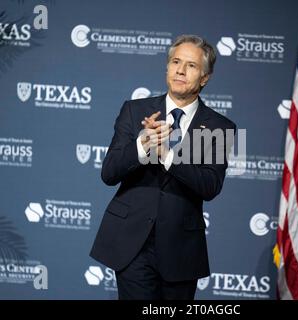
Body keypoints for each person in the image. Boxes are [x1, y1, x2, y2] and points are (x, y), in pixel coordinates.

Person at [90, 34, 236, 300]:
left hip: (181, 249)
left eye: (191, 65)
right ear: (167, 67)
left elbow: (210, 186)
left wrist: (168, 155)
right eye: (175, 62)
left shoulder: (219, 126)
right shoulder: (135, 111)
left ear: (205, 77)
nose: (180, 70)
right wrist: (143, 146)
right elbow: (108, 173)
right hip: (132, 243)